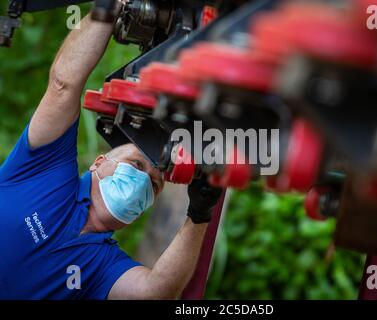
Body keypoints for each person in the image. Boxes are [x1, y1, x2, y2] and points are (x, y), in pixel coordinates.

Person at [0, 11, 222, 300]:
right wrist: (109, 8)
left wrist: (199, 214)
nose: (143, 181)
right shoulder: (44, 170)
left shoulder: (102, 265)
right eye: (136, 164)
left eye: (154, 185)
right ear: (99, 162)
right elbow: (62, 85)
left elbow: (157, 293)